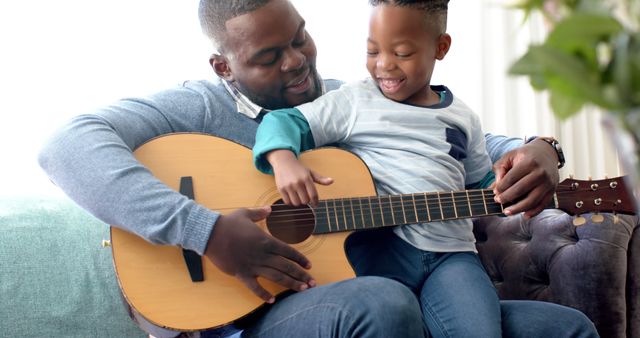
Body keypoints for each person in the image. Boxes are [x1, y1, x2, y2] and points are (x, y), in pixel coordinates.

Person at [37, 0, 594, 337]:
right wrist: (205, 232)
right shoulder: (199, 107)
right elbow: (66, 146)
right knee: (382, 301)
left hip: (386, 281)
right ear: (223, 66)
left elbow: (454, 141)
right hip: (240, 317)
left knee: (565, 329)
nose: (297, 59)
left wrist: (543, 146)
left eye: (299, 35)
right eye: (268, 55)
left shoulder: (345, 98)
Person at [251, 1, 598, 337]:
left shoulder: (462, 117)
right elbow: (285, 121)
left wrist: (518, 185)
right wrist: (283, 160)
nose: (384, 65)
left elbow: (482, 180)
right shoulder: (353, 101)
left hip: (453, 259)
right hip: (379, 253)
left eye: (401, 53)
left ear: (440, 47)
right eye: (373, 51)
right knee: (386, 312)